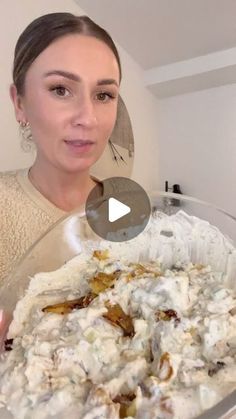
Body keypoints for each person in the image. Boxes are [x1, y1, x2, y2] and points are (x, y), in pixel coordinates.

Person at [0, 12, 121, 286]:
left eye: (104, 95)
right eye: (60, 89)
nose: (88, 118)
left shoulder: (125, 205)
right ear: (20, 103)